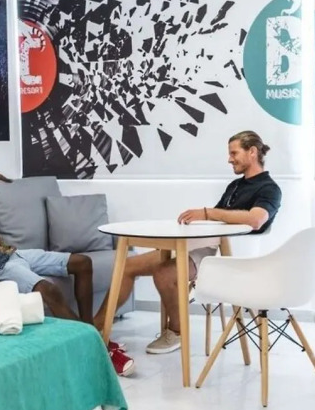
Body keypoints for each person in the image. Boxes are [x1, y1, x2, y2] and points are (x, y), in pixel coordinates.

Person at [0, 161, 138, 377]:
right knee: (48, 290)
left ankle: (91, 331)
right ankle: (97, 348)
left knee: (82, 263)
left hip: (13, 253)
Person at [121, 130, 282, 355]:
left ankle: (176, 332)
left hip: (225, 258)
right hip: (206, 246)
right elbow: (216, 220)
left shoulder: (270, 189)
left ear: (252, 152)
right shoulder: (235, 186)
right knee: (127, 266)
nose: (229, 159)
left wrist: (207, 212)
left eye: (234, 153)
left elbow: (256, 220)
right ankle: (97, 329)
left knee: (164, 273)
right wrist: (198, 222)